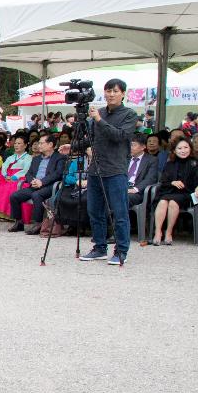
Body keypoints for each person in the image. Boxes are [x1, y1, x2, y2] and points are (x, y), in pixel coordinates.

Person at [79, 79, 138, 266]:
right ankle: (99, 247)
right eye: (107, 91)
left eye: (114, 91)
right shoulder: (101, 113)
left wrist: (98, 120)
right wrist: (74, 146)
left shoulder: (129, 114)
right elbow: (93, 140)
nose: (110, 94)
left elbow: (119, 136)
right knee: (94, 210)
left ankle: (121, 250)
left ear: (123, 94)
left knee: (119, 212)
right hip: (96, 168)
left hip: (115, 169)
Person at [150, 138, 198, 246]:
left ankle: (169, 232)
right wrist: (173, 182)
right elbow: (163, 181)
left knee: (173, 202)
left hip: (185, 193)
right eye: (179, 148)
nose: (183, 150)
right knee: (162, 202)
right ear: (174, 151)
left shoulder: (195, 163)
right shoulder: (170, 164)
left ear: (190, 148)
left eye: (186, 147)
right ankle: (158, 232)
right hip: (169, 191)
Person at [7, 133, 64, 233]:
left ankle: (37, 223)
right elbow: (29, 173)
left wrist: (42, 182)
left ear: (50, 144)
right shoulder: (36, 158)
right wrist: (32, 181)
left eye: (42, 143)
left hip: (50, 186)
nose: (39, 146)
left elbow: (58, 174)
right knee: (14, 196)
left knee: (36, 195)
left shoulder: (59, 158)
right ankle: (19, 222)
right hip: (35, 184)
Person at [0, 134, 32, 217]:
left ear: (25, 145)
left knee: (10, 188)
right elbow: (4, 167)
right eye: (15, 143)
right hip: (7, 177)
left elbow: (26, 170)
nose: (16, 145)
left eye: (19, 143)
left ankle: (12, 215)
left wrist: (15, 177)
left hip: (20, 178)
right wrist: (5, 175)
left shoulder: (28, 157)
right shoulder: (11, 157)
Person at [126, 134, 160, 208]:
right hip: (122, 188)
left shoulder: (152, 160)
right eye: (130, 145)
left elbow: (151, 179)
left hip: (137, 192)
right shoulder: (125, 158)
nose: (130, 148)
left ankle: (119, 219)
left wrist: (135, 189)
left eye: (133, 145)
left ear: (143, 147)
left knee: (123, 198)